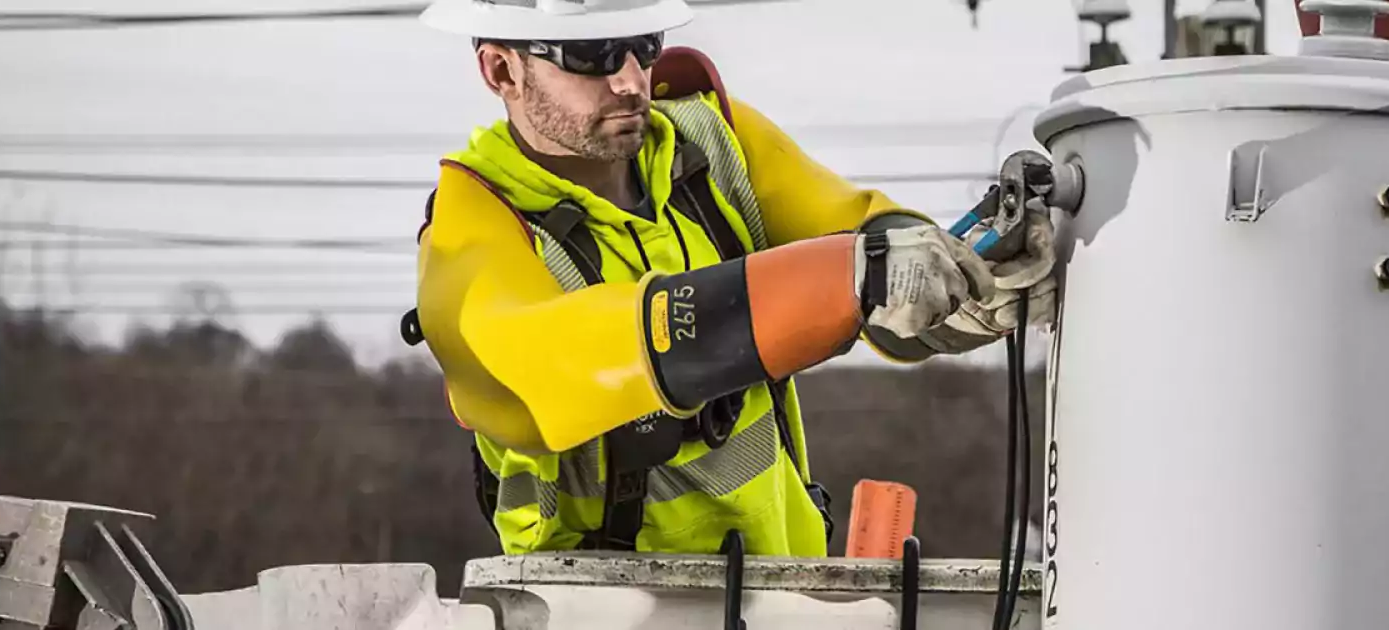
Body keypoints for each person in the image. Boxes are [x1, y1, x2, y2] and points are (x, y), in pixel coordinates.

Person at [407, 0, 1057, 557]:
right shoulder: (471, 234)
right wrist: (856, 278)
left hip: (783, 591)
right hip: (605, 605)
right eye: (596, 55)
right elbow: (553, 369)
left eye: (643, 45)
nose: (633, 81)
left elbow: (851, 231)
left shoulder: (712, 144)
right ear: (501, 69)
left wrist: (955, 277)